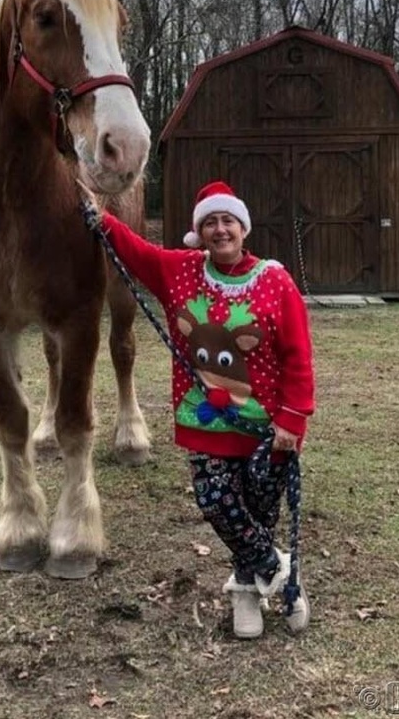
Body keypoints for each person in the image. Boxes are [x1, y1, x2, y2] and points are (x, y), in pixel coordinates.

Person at [86, 179, 315, 639]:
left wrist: (293, 419)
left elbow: (298, 355)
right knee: (217, 501)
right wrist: (97, 216)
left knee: (258, 510)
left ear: (243, 227)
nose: (220, 230)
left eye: (227, 220)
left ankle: (246, 592)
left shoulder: (275, 280)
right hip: (206, 423)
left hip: (269, 426)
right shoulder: (181, 272)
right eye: (210, 222)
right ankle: (278, 571)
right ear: (199, 232)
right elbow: (136, 251)